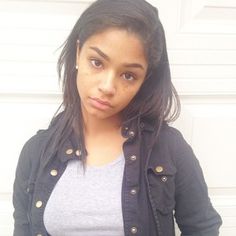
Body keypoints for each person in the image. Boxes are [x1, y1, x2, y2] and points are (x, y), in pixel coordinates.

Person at [13, 0, 222, 235]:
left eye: (128, 75)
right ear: (78, 51)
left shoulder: (168, 148)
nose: (107, 86)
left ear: (145, 79)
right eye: (97, 62)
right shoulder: (36, 152)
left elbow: (203, 228)